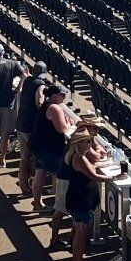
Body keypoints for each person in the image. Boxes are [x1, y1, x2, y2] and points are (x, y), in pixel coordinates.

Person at [59, 125, 106, 261]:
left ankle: (76, 260)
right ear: (80, 144)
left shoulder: (78, 157)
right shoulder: (80, 158)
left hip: (79, 198)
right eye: (87, 142)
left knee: (78, 229)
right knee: (81, 233)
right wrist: (115, 177)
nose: (90, 144)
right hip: (81, 200)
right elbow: (95, 177)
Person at [28, 82, 78, 215]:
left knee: (40, 173)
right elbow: (62, 129)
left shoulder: (46, 105)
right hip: (48, 148)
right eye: (62, 95)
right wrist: (69, 123)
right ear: (55, 96)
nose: (64, 97)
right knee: (59, 174)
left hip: (38, 146)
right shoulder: (54, 108)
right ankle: (59, 207)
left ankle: (38, 203)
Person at [14, 61, 50, 198]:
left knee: (24, 158)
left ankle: (24, 185)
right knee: (36, 158)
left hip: (21, 123)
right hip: (31, 127)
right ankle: (35, 187)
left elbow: (19, 90)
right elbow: (39, 102)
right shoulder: (40, 84)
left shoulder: (28, 80)